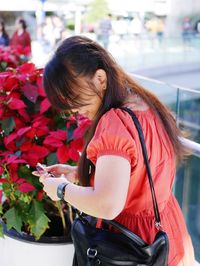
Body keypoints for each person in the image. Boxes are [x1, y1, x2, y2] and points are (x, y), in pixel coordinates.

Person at [34, 36, 195, 266]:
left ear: (100, 78)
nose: (75, 110)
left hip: (130, 245)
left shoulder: (115, 123)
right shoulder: (144, 103)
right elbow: (137, 174)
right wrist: (78, 174)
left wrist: (61, 189)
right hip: (166, 232)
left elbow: (107, 204)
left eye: (75, 98)